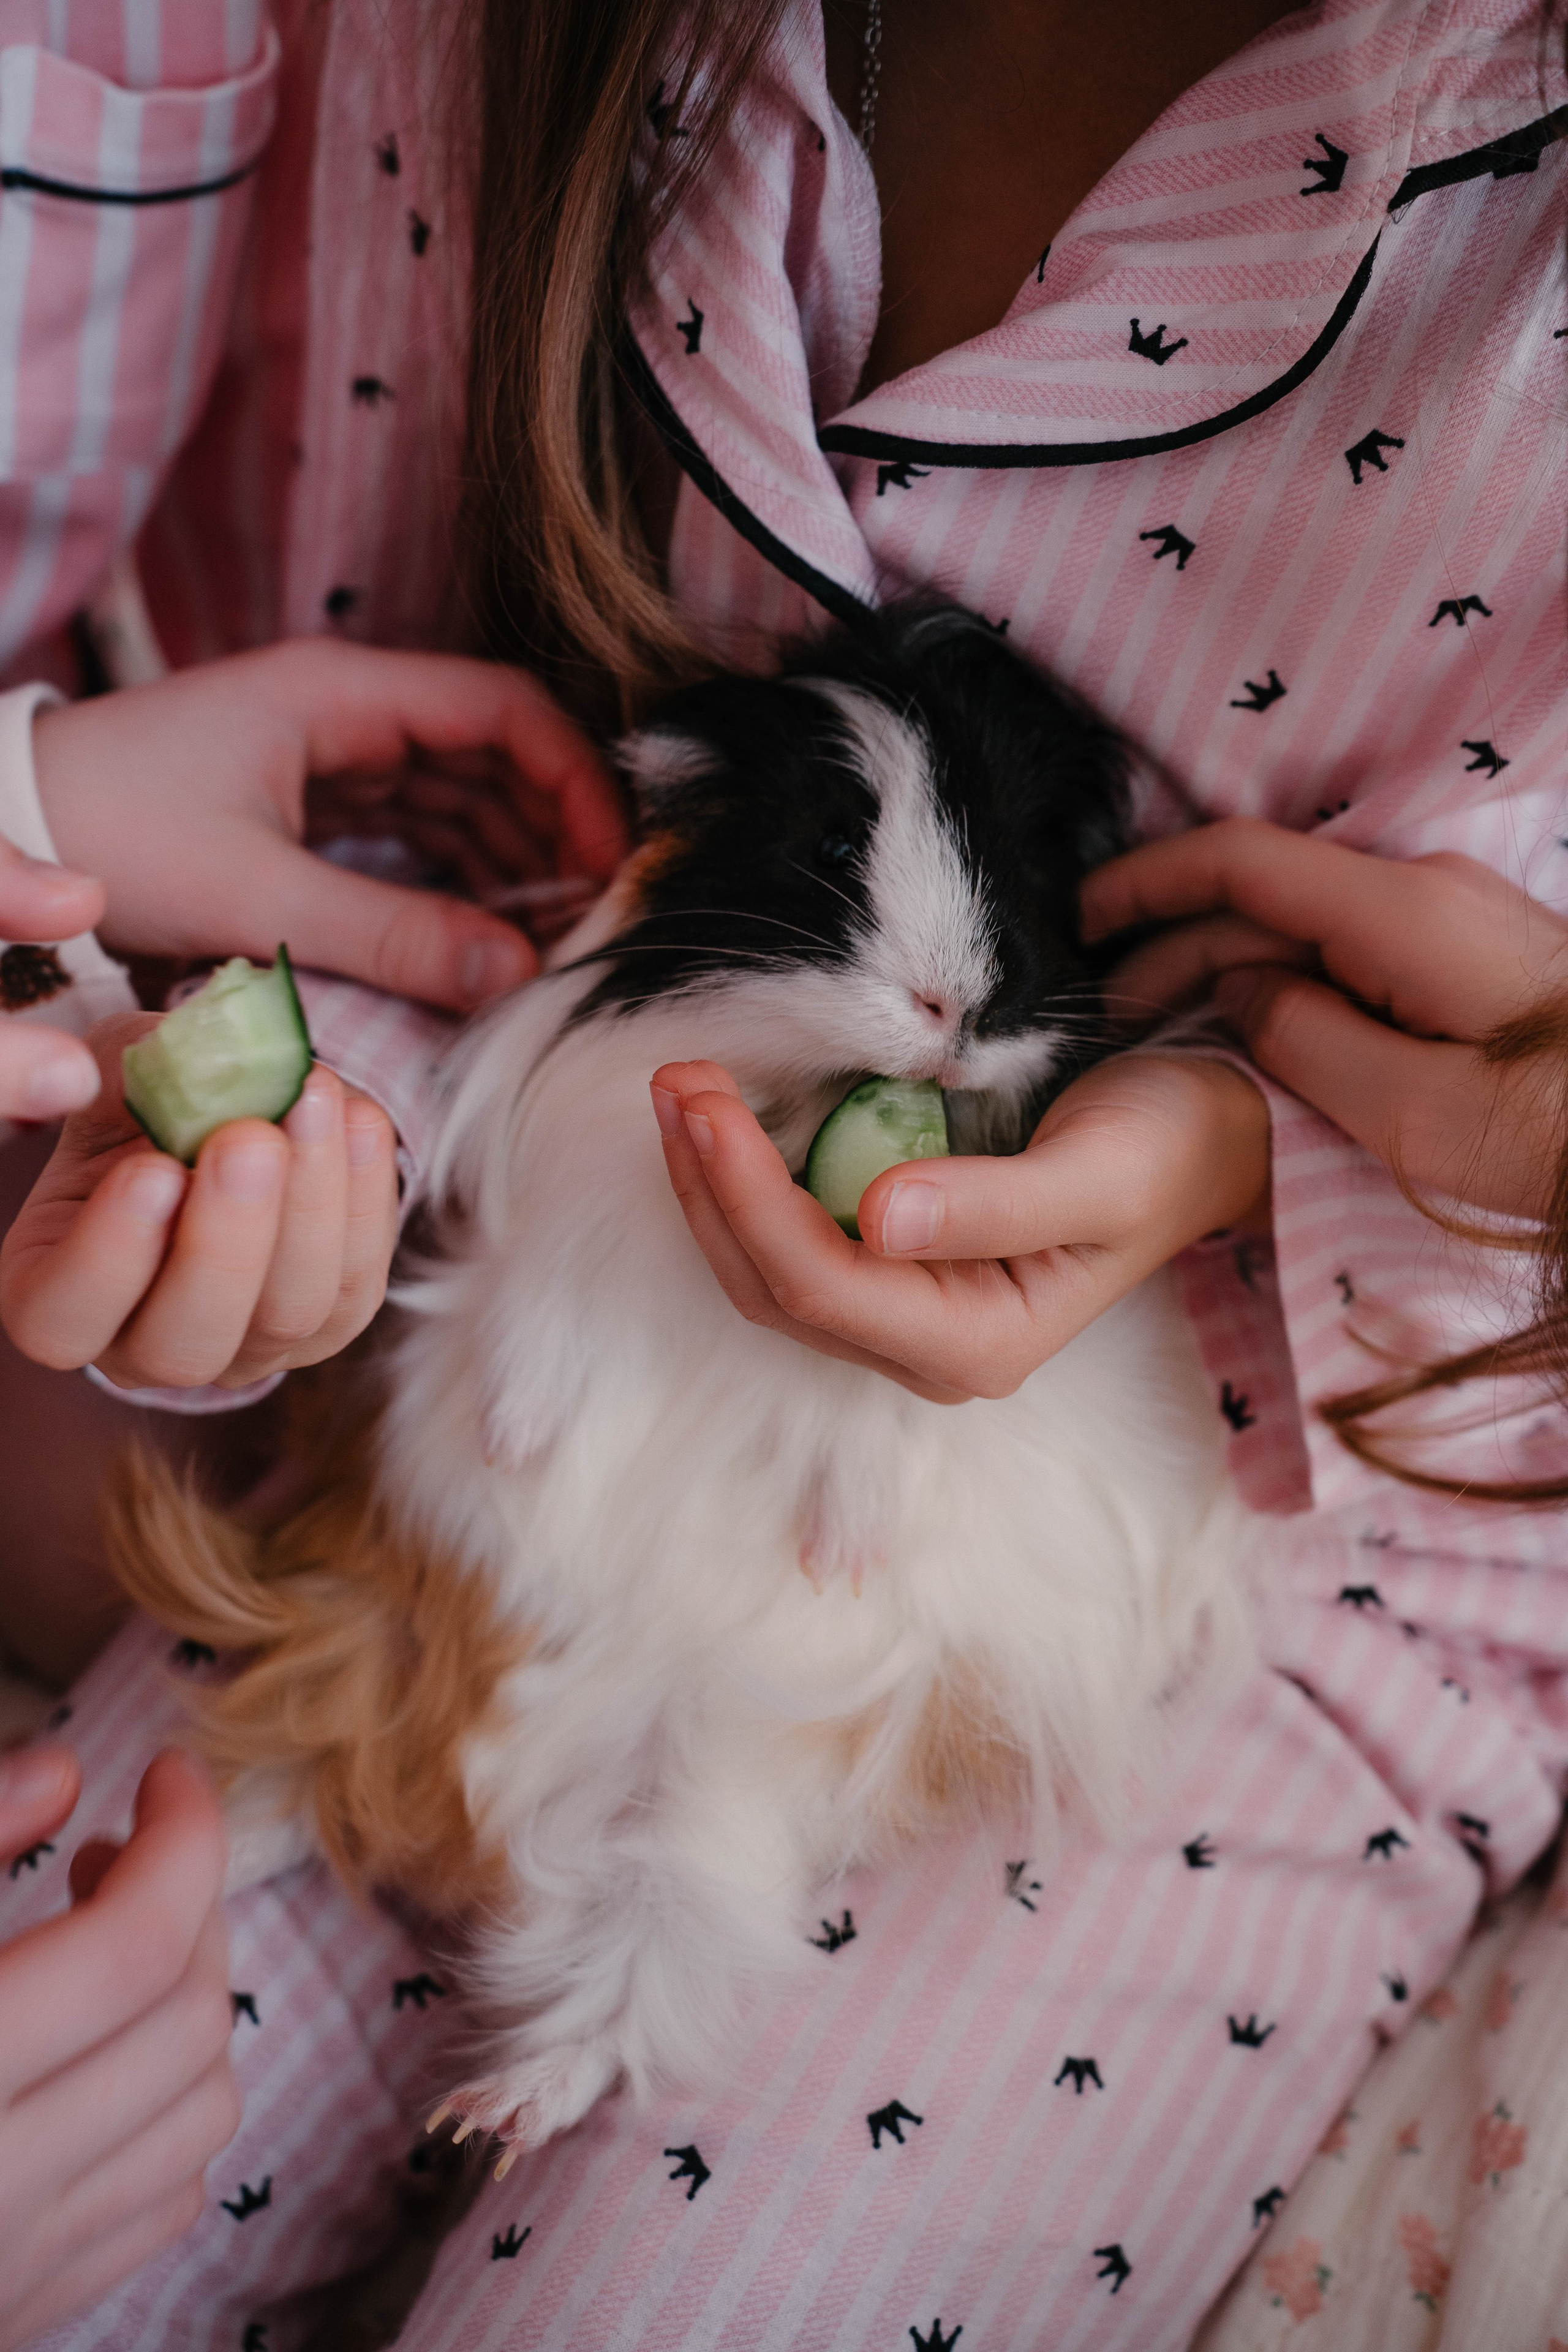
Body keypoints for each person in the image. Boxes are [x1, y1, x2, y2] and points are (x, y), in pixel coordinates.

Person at [2, 0, 1566, 2343]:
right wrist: (44, 825)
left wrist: (1459, 1133)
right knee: (76, 2116)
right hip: (427, 1413)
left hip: (1298, 1506)